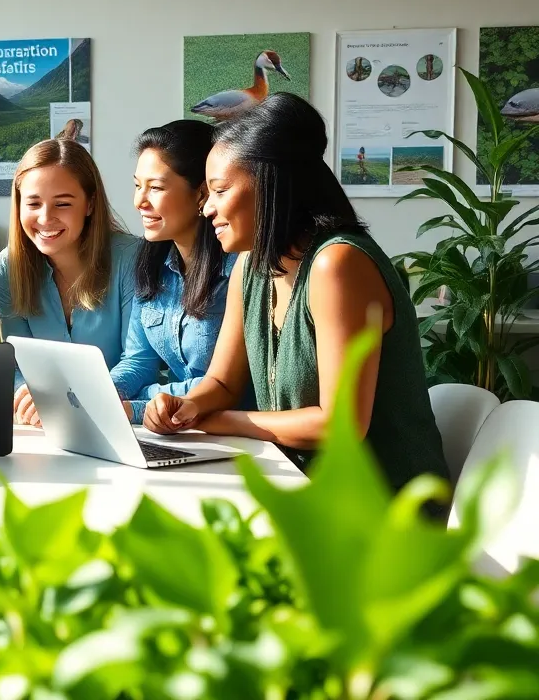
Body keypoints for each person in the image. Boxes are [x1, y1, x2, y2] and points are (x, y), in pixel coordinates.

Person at [142, 93, 449, 495]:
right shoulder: (251, 268)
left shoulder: (337, 265)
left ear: (270, 185)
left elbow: (339, 424)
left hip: (381, 510)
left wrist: (218, 420)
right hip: (302, 486)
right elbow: (220, 381)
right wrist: (187, 407)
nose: (206, 209)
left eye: (219, 191)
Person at [0, 136, 139, 427]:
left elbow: (137, 363)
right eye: (33, 203)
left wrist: (79, 398)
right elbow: (16, 362)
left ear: (89, 204)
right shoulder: (9, 266)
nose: (45, 218)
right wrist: (29, 393)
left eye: (62, 204)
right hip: (48, 423)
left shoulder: (131, 257)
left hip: (120, 418)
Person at [110, 120, 245, 424]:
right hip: (181, 430)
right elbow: (139, 359)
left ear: (202, 194)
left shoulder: (238, 268)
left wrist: (138, 406)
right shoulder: (151, 264)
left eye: (155, 188)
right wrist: (107, 392)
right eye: (137, 185)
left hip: (234, 434)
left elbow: (226, 385)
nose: (139, 201)